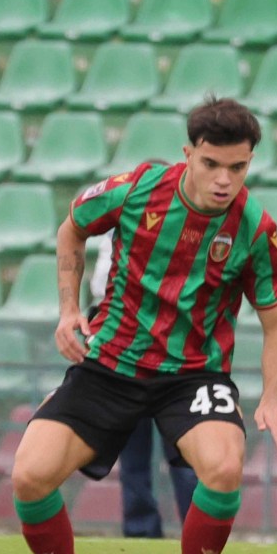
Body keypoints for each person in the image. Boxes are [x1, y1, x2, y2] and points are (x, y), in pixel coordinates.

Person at [12, 96, 277, 554]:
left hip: (193, 374)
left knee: (224, 467)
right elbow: (71, 230)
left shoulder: (256, 229)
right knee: (29, 477)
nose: (224, 180)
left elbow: (276, 323)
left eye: (238, 167)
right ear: (187, 153)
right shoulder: (136, 189)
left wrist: (272, 398)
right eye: (211, 164)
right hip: (110, 363)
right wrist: (69, 311)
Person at [89, 226, 198, 537]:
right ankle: (141, 533)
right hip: (126, 358)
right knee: (134, 457)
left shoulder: (184, 225)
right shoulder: (119, 229)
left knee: (185, 454)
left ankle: (197, 532)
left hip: (173, 358)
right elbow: (100, 286)